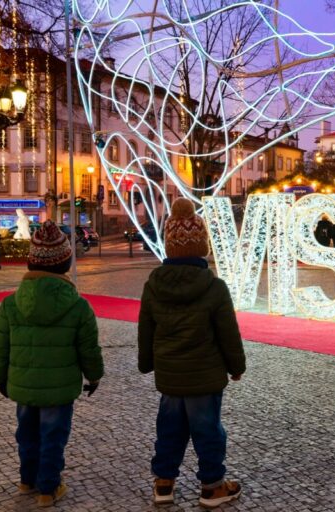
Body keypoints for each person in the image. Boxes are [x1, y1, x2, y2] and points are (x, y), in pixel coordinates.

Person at [138, 197, 246, 509]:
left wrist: (147, 363)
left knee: (168, 430)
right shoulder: (214, 287)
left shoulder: (153, 285)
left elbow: (146, 328)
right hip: (205, 377)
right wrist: (235, 366)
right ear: (202, 246)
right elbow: (228, 333)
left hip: (170, 376)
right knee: (208, 430)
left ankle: (164, 483)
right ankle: (212, 486)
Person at [0, 220, 104, 508]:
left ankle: (27, 479)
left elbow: (0, 346)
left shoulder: (11, 303)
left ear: (31, 263)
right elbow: (88, 349)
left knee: (26, 433)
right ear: (65, 262)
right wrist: (94, 376)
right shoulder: (78, 306)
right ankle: (48, 488)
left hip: (24, 384)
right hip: (59, 389)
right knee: (53, 436)